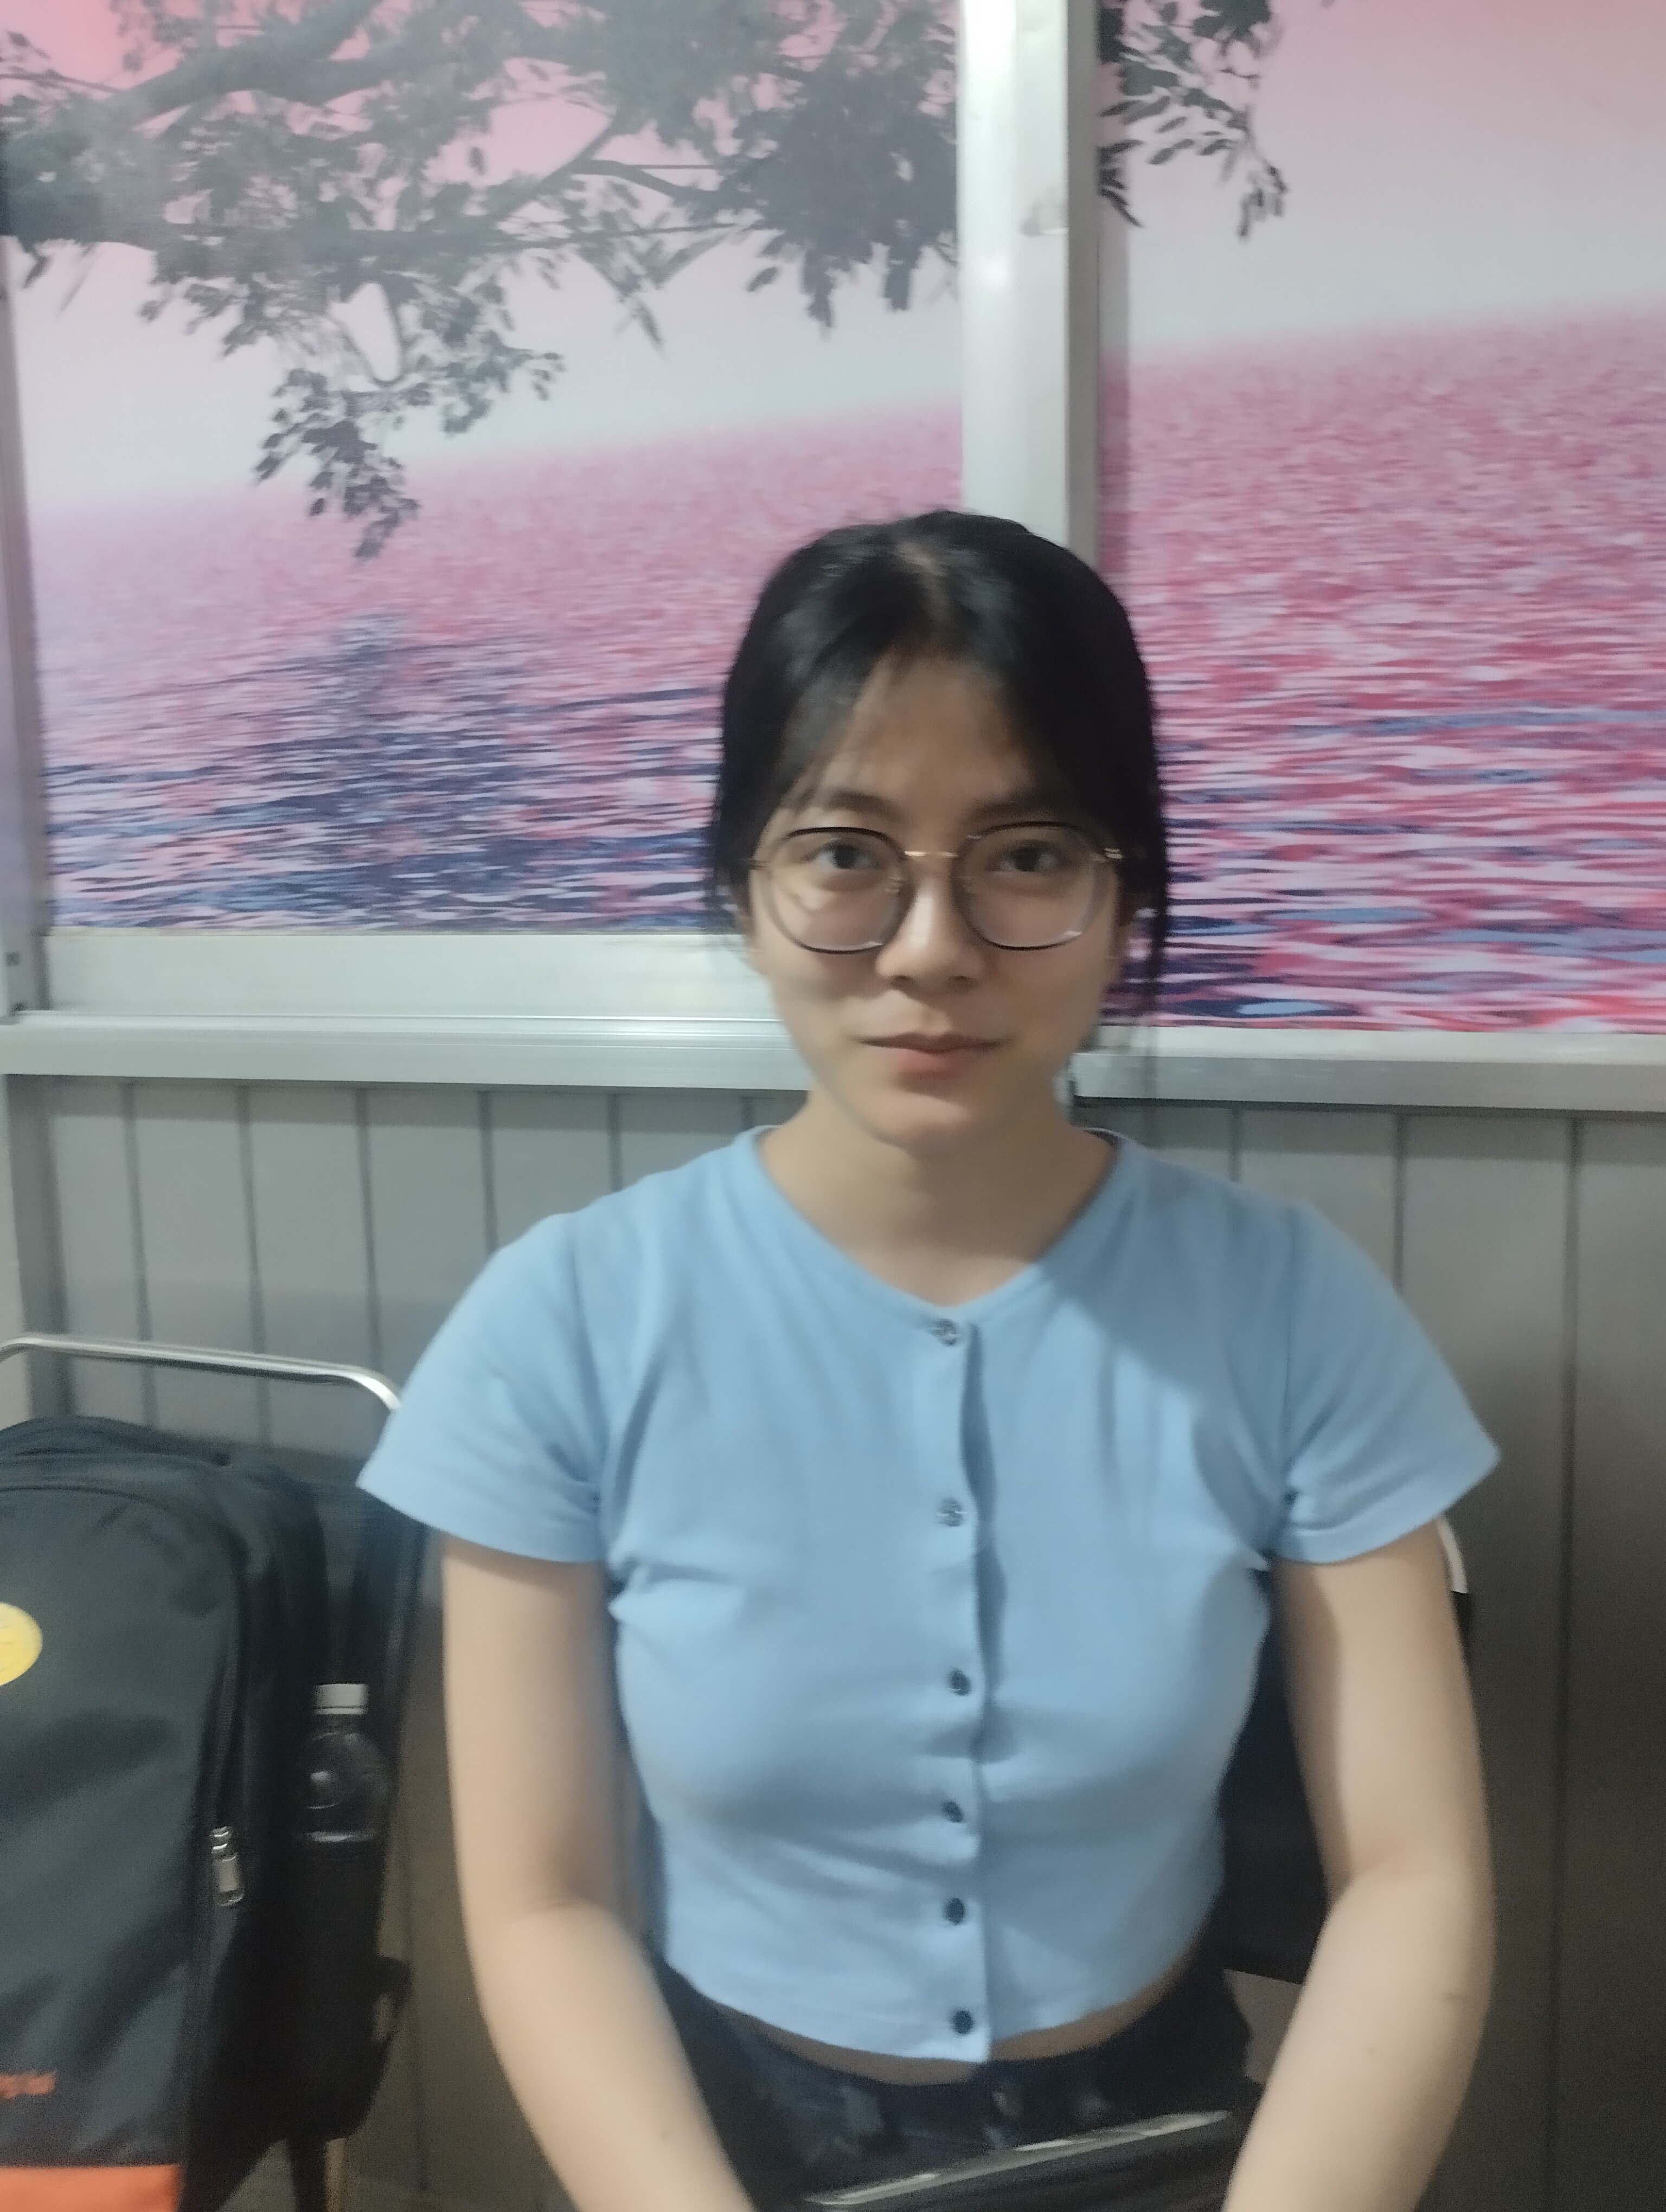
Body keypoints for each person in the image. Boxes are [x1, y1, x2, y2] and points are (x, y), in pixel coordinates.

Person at [359, 510, 1496, 2212]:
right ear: (741, 889)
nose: (929, 948)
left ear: (1127, 895)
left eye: (1027, 854)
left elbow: (1414, 1876)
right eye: (846, 852)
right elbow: (544, 1904)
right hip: (721, 2150)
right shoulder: (565, 1324)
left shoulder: (1290, 1308)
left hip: (1168, 2138)